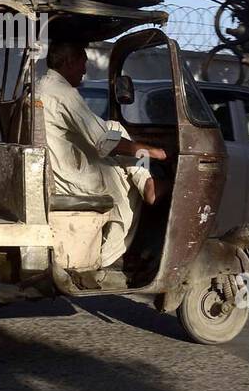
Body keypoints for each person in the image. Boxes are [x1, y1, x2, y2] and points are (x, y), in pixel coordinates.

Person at [38, 39, 171, 273]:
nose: (84, 70)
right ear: (69, 61)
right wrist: (152, 152)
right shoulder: (63, 93)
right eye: (82, 63)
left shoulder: (41, 85)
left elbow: (100, 131)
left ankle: (145, 180)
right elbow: (105, 142)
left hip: (56, 163)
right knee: (123, 187)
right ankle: (106, 259)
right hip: (69, 175)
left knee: (115, 127)